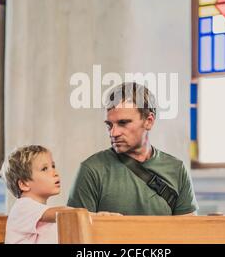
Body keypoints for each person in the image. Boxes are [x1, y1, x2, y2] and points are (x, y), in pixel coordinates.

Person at [68, 82, 199, 216]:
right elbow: (74, 232)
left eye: (123, 123)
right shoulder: (92, 170)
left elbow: (189, 231)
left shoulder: (176, 169)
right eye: (109, 125)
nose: (113, 133)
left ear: (149, 121)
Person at [1, 145, 119, 244]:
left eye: (53, 166)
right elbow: (63, 212)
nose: (55, 173)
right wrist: (95, 216)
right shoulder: (23, 207)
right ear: (24, 184)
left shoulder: (44, 215)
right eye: (44, 169)